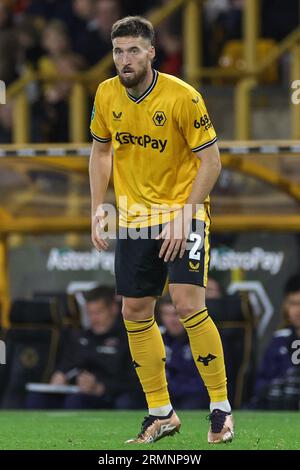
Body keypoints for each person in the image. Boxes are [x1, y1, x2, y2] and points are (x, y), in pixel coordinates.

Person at [89, 16, 234, 444]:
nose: (124, 59)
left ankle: (221, 409)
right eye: (118, 51)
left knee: (187, 304)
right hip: (133, 219)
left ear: (152, 52)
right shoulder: (105, 93)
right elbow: (100, 152)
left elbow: (212, 162)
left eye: (134, 50)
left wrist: (185, 214)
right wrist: (99, 206)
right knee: (133, 312)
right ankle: (161, 413)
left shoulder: (183, 97)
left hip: (182, 213)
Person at [27, 286, 140, 410]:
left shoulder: (129, 338)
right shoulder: (80, 338)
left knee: (77, 401)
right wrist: (60, 376)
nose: (93, 319)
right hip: (78, 392)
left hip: (110, 396)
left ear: (113, 309)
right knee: (36, 399)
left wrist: (101, 387)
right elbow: (67, 366)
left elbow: (136, 381)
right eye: (89, 313)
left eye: (98, 312)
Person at [253, 273, 300, 409]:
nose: (298, 310)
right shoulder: (279, 340)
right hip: (280, 409)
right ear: (286, 306)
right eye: (293, 304)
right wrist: (275, 387)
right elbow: (261, 383)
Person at [158, 296, 209, 409]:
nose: (172, 320)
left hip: (194, 396)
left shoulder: (201, 340)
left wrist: (173, 386)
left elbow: (204, 382)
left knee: (193, 403)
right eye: (166, 314)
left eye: (176, 314)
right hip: (164, 396)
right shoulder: (157, 340)